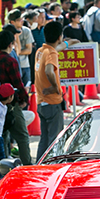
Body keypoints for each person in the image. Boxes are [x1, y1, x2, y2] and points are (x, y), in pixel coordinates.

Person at [0, 30, 32, 166]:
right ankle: (27, 165)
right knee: (22, 137)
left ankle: (3, 164)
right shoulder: (11, 61)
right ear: (10, 44)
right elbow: (17, 84)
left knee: (3, 136)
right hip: (12, 103)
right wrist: (25, 99)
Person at [34, 21, 64, 161]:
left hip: (41, 101)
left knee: (44, 140)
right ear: (59, 37)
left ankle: (40, 164)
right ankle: (53, 165)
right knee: (55, 139)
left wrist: (68, 44)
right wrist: (56, 88)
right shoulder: (52, 53)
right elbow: (49, 71)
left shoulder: (41, 51)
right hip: (52, 101)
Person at [83, 0, 100, 89]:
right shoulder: (99, 11)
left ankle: (94, 83)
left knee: (93, 61)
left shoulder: (89, 11)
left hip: (90, 39)